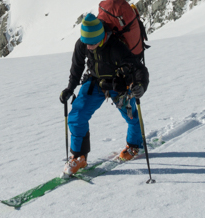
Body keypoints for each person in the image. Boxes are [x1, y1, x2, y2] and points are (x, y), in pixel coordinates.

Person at [59, 12, 149, 176]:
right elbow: (77, 68)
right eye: (86, 42)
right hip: (95, 83)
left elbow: (138, 68)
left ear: (101, 37)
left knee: (131, 117)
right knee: (77, 116)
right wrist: (70, 89)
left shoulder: (116, 47)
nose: (88, 46)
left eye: (92, 43)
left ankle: (134, 145)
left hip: (119, 85)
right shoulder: (82, 44)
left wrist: (140, 86)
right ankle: (79, 156)